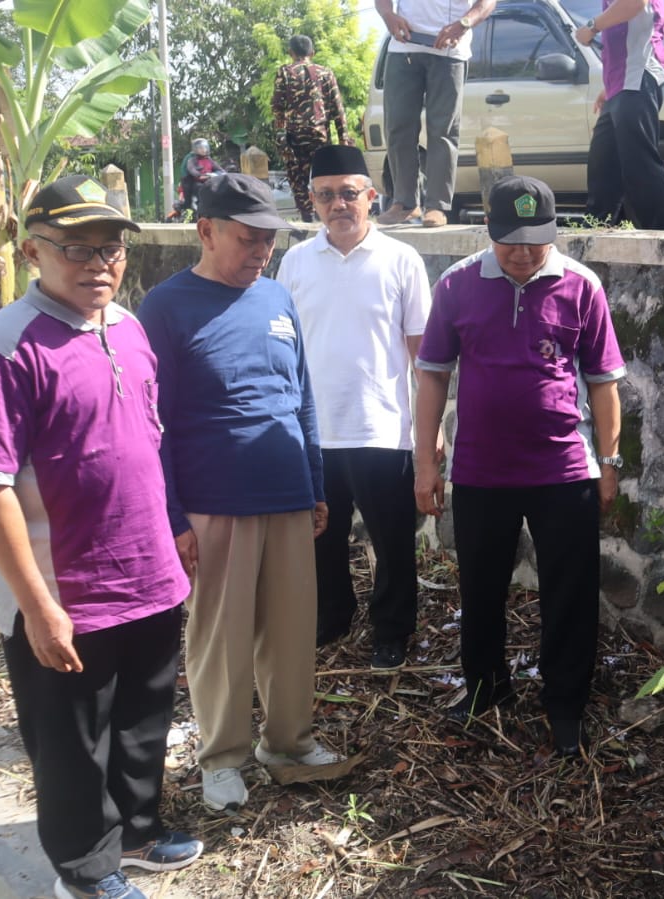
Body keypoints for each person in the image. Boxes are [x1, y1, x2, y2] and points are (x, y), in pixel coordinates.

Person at [0, 175, 203, 899]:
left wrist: (174, 529)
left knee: (141, 720)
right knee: (69, 740)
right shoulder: (5, 347)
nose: (99, 263)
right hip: (66, 587)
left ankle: (137, 830)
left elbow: (145, 443)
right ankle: (85, 872)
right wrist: (36, 603)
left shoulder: (127, 328)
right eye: (76, 249)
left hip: (146, 571)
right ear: (33, 249)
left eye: (112, 247)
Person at [137, 174, 342, 813]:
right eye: (247, 241)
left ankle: (287, 741)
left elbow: (301, 396)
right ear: (206, 231)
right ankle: (221, 757)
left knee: (289, 627)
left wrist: (315, 483)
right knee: (220, 636)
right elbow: (153, 423)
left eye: (268, 243)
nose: (260, 254)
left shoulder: (277, 298)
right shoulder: (165, 307)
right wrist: (173, 516)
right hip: (213, 498)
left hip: (285, 490)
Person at [413, 175, 624, 759]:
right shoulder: (456, 286)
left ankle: (566, 702)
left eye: (536, 239)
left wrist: (609, 462)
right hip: (481, 471)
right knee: (480, 587)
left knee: (570, 593)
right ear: (489, 231)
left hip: (564, 471)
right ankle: (485, 686)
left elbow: (604, 385)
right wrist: (425, 460)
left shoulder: (582, 286)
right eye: (512, 240)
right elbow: (432, 374)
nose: (525, 252)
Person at [275, 145, 431, 668]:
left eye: (348, 193)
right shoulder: (295, 262)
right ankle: (331, 617)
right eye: (326, 196)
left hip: (382, 428)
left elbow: (421, 355)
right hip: (314, 432)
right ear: (312, 202)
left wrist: (431, 434)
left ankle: (391, 630)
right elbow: (283, 349)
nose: (338, 204)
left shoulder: (401, 259)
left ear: (370, 196)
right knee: (321, 536)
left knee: (392, 541)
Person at [375, 0, 497, 226]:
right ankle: (405, 203)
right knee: (397, 127)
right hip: (404, 46)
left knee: (443, 130)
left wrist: (463, 24)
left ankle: (437, 206)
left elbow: (487, 3)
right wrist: (387, 15)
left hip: (449, 50)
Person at [573, 0, 664, 229]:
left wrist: (592, 27)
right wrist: (609, 87)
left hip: (638, 75)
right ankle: (595, 239)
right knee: (603, 164)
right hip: (622, 83)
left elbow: (635, 3)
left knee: (639, 164)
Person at [271, 34, 352, 223]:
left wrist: (281, 137)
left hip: (295, 136)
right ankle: (324, 214)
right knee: (323, 177)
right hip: (320, 135)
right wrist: (344, 138)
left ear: (291, 53)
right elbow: (338, 109)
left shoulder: (284, 72)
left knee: (297, 177)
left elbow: (277, 107)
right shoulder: (325, 73)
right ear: (312, 53)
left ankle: (307, 216)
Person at [179, 139, 224, 217]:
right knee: (201, 189)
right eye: (201, 148)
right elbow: (193, 172)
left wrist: (216, 174)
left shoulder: (209, 160)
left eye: (205, 147)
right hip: (196, 183)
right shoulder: (192, 160)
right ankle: (199, 213)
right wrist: (203, 175)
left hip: (209, 181)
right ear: (195, 149)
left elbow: (221, 170)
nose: (203, 150)